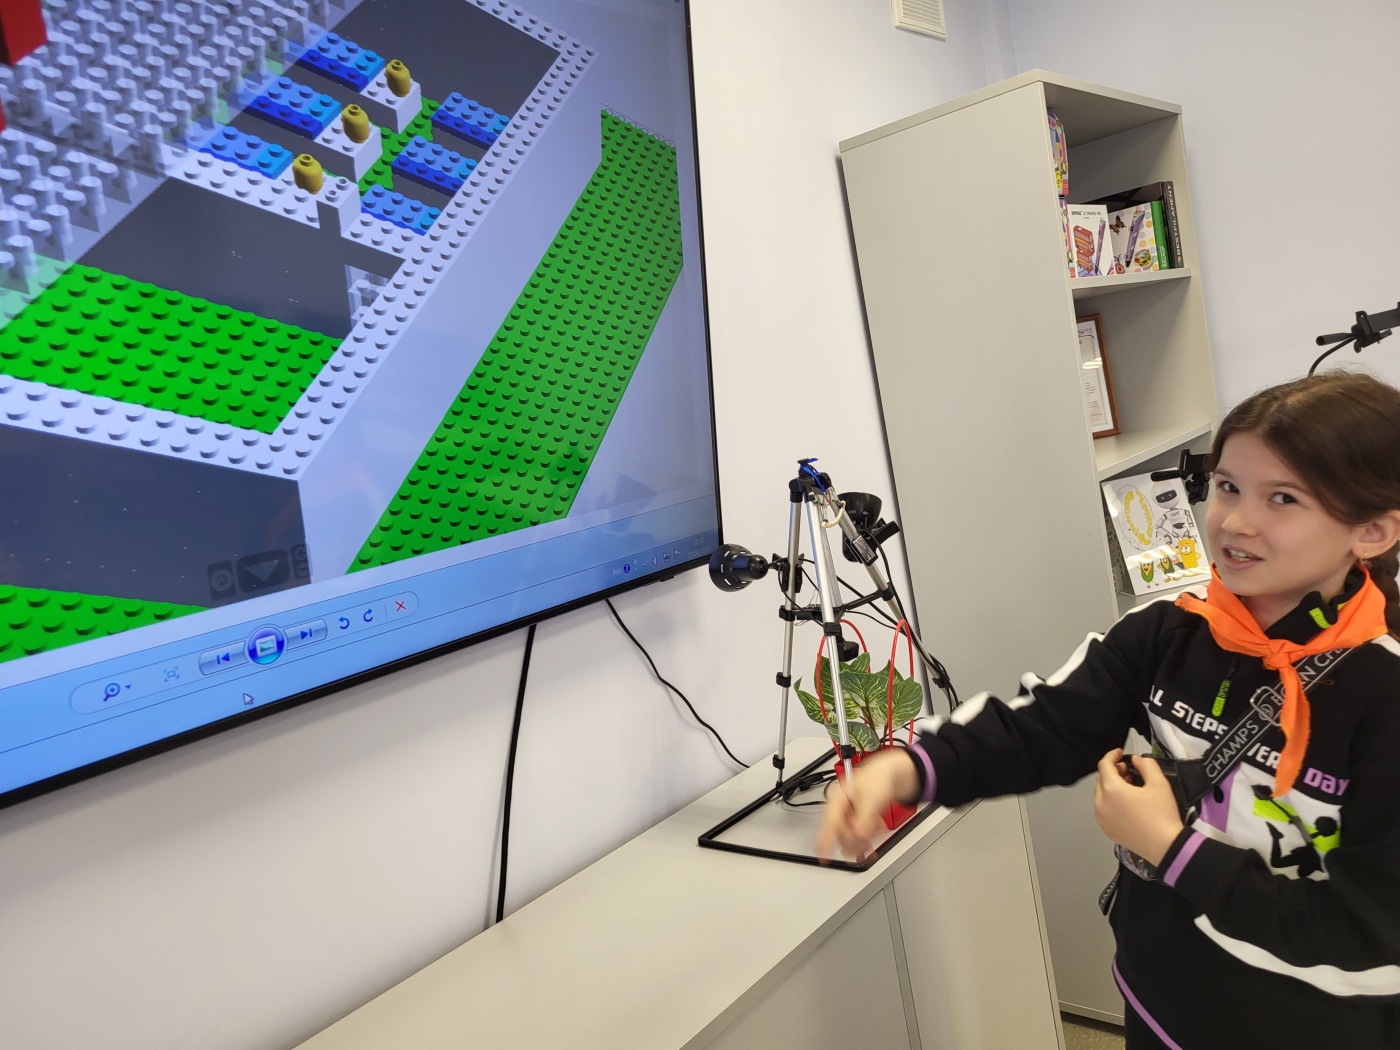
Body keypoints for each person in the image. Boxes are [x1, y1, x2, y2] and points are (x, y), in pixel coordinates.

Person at [817, 370, 1400, 1049]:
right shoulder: (1167, 629)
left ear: (1371, 531)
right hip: (1159, 999)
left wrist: (1172, 850)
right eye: (1227, 486)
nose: (1237, 521)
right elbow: (1046, 728)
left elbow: (1370, 931)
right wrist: (907, 769)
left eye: (1284, 498)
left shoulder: (1384, 692)